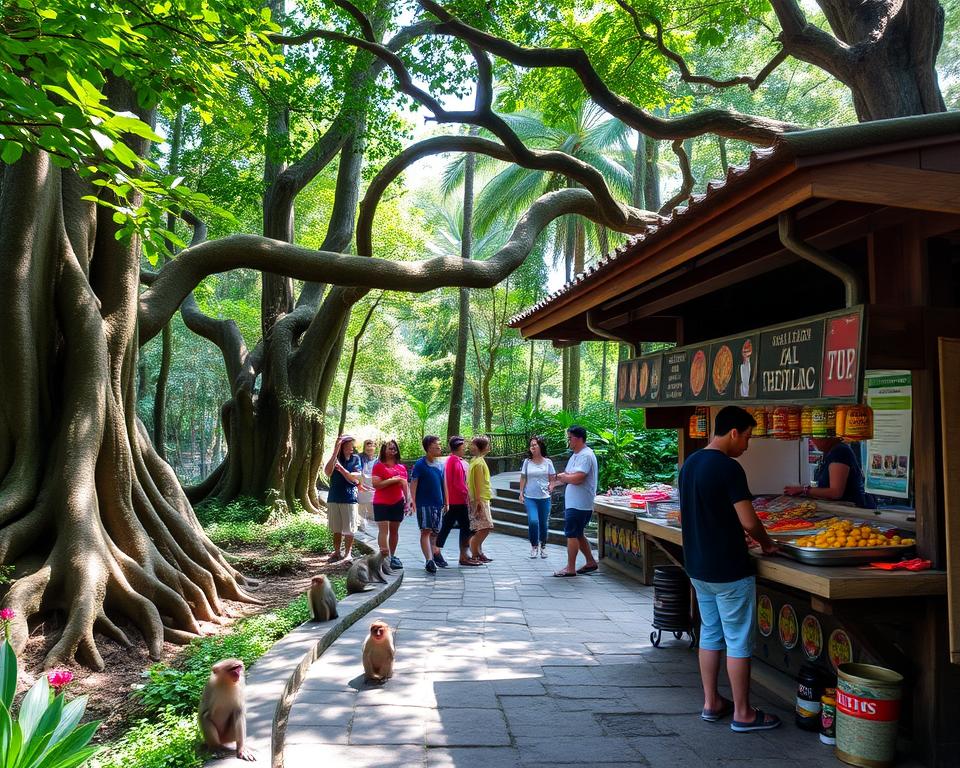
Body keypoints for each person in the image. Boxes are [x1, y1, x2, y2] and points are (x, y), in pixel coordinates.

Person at [678, 405, 780, 733]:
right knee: (737, 639)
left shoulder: (689, 464)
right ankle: (744, 713)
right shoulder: (729, 468)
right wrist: (765, 543)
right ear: (733, 432)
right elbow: (749, 520)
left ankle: (711, 703)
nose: (747, 445)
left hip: (698, 566)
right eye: (747, 437)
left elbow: (708, 514)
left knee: (709, 632)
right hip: (729, 570)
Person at [552, 425, 599, 577]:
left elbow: (578, 478)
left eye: (570, 437)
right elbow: (567, 475)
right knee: (578, 533)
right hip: (574, 503)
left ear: (578, 438)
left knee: (572, 533)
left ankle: (570, 568)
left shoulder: (586, 455)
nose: (569, 440)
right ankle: (591, 561)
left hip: (580, 503)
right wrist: (555, 482)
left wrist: (562, 477)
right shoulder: (575, 455)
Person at [784, 437, 876, 508]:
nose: (811, 440)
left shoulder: (840, 452)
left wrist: (804, 490)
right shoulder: (829, 452)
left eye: (813, 436)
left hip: (851, 510)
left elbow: (835, 492)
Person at [437, 436, 480, 567]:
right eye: (463, 448)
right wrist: (468, 495)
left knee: (449, 526)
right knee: (463, 527)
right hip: (458, 501)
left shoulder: (453, 460)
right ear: (457, 448)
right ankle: (461, 556)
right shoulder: (454, 462)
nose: (464, 450)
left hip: (457, 500)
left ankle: (439, 551)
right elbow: (458, 483)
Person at [371, 439, 411, 570]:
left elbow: (405, 484)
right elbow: (376, 485)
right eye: (390, 448)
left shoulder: (401, 467)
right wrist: (392, 480)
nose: (393, 451)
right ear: (384, 450)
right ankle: (384, 557)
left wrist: (408, 501)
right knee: (384, 531)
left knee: (394, 531)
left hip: (397, 502)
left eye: (394, 448)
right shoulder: (379, 466)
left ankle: (392, 556)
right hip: (381, 502)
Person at [411, 435, 448, 573]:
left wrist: (446, 501)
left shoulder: (440, 464)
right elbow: (414, 483)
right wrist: (412, 501)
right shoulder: (420, 464)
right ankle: (429, 560)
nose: (439, 447)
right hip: (424, 503)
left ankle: (433, 557)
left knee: (435, 532)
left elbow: (443, 484)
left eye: (439, 444)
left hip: (438, 504)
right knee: (426, 531)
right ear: (428, 447)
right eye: (435, 445)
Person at [323, 435, 362, 562]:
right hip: (334, 497)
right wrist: (335, 452)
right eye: (348, 444)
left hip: (349, 498)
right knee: (336, 528)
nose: (351, 447)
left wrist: (342, 469)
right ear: (342, 446)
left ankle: (348, 554)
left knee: (349, 529)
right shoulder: (335, 459)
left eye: (352, 444)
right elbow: (327, 472)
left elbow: (355, 479)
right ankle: (336, 552)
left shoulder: (356, 459)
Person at [519, 436, 556, 559]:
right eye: (531, 445)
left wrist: (551, 486)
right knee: (533, 521)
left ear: (541, 446)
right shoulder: (527, 462)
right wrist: (521, 493)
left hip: (544, 498)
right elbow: (523, 477)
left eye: (535, 445)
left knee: (544, 524)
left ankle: (543, 546)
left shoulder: (548, 462)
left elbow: (552, 478)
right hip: (530, 497)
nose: (533, 447)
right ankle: (534, 546)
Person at [467, 436, 495, 563]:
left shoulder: (475, 461)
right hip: (480, 499)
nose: (489, 447)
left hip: (481, 498)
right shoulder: (478, 463)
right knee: (485, 527)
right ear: (482, 447)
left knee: (482, 527)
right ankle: (474, 551)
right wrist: (478, 501)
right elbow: (478, 483)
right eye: (487, 444)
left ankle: (478, 552)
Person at [357, 439, 378, 531]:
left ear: (375, 447)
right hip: (361, 486)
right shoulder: (358, 458)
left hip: (373, 488)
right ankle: (361, 526)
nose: (369, 448)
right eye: (367, 445)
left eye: (371, 446)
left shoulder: (378, 460)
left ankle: (373, 530)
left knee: (372, 509)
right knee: (361, 507)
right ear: (364, 446)